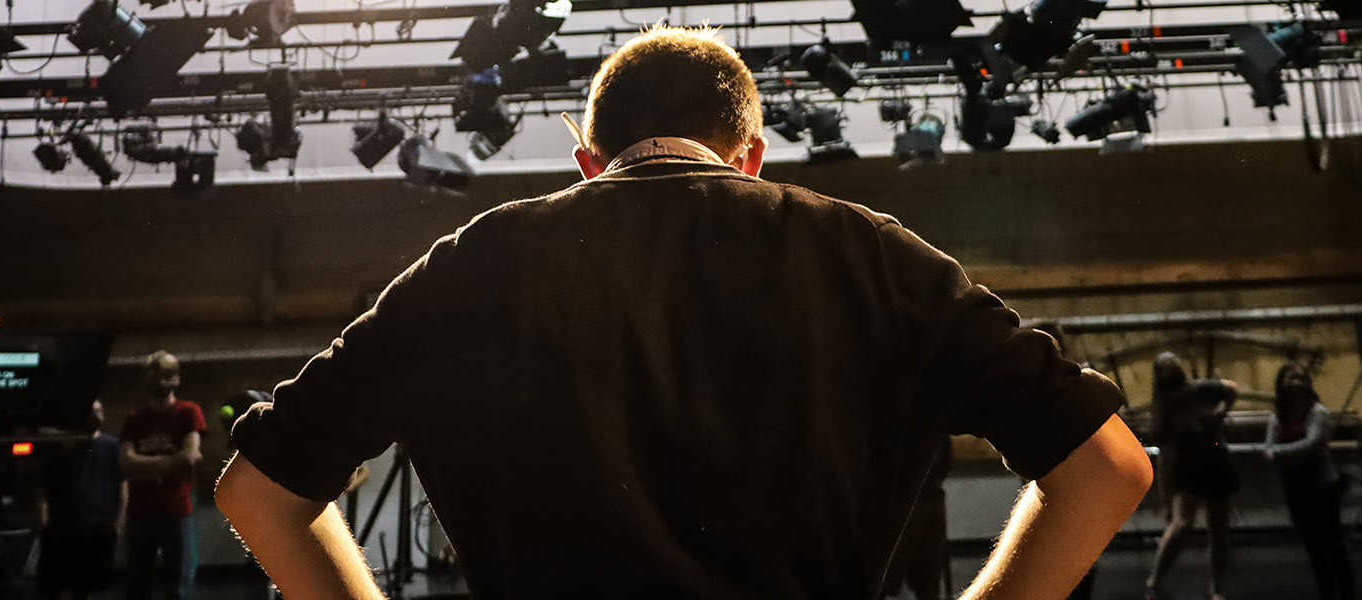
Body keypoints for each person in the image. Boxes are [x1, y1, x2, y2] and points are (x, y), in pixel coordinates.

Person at [216, 26, 1153, 600]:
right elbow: (1108, 467)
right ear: (750, 154)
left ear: (588, 160)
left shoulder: (479, 260)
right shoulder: (871, 255)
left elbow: (256, 493)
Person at [1144, 353, 1237, 600]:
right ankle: (1154, 582)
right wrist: (1165, 500)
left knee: (1217, 528)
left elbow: (1231, 389)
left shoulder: (1199, 391)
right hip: (1191, 468)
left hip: (1215, 459)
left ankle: (1217, 588)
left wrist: (1221, 412)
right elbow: (1166, 459)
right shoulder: (1165, 413)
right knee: (1182, 524)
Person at [1262, 363, 1353, 600]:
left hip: (1322, 485)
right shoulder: (1278, 415)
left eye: (1300, 377)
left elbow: (1312, 445)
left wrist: (1280, 454)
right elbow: (1269, 447)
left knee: (1334, 545)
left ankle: (1347, 594)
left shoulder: (1317, 412)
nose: (1296, 383)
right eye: (1291, 378)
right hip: (1295, 486)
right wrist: (1280, 453)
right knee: (1314, 548)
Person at [120, 351, 205, 600]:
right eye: (156, 377)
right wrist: (172, 463)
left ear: (177, 379)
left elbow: (190, 456)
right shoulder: (135, 419)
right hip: (140, 511)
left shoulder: (188, 412)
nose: (161, 383)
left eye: (167, 377)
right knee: (137, 584)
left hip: (176, 508)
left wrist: (145, 465)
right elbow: (126, 463)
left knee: (177, 585)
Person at [37, 399, 127, 600]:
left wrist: (117, 524)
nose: (96, 415)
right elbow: (43, 488)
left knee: (84, 588)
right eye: (92, 410)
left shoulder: (111, 446)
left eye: (99, 410)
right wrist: (43, 524)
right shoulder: (59, 447)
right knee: (54, 587)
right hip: (61, 527)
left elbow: (122, 488)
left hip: (95, 527)